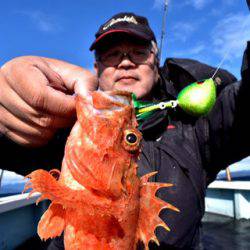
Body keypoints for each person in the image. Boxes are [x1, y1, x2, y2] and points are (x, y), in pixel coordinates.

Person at [0, 12, 249, 250]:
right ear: (96, 67)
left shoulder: (198, 130)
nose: (126, 62)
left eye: (139, 52)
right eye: (112, 54)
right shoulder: (59, 126)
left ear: (156, 60)